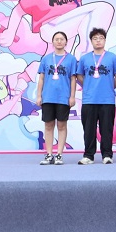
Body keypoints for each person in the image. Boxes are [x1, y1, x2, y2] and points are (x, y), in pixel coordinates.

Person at [76, 27, 116, 165]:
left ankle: (107, 155)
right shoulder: (84, 58)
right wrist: (88, 86)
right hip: (89, 99)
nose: (98, 41)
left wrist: (110, 87)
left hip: (107, 100)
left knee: (106, 129)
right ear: (91, 41)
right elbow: (79, 75)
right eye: (95, 38)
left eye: (101, 38)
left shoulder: (112, 57)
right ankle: (88, 156)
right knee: (88, 129)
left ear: (105, 40)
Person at [36, 31, 77, 165]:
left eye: (62, 39)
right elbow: (41, 78)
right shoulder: (46, 59)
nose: (59, 41)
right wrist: (39, 95)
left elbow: (73, 79)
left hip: (63, 98)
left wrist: (72, 96)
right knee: (48, 125)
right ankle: (49, 154)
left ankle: (59, 154)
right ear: (52, 42)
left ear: (66, 42)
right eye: (56, 39)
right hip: (48, 97)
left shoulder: (71, 59)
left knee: (61, 125)